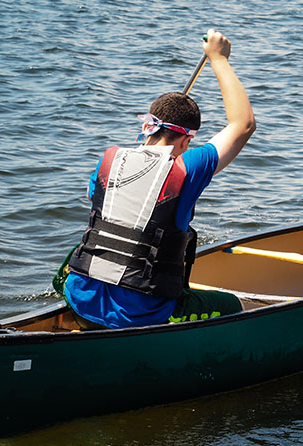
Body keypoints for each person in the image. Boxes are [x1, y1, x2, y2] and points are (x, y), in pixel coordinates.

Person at [63, 29, 256, 329]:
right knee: (236, 306)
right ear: (185, 141)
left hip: (79, 295)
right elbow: (243, 125)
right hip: (142, 312)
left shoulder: (110, 160)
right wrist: (218, 59)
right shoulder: (186, 167)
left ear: (147, 127)